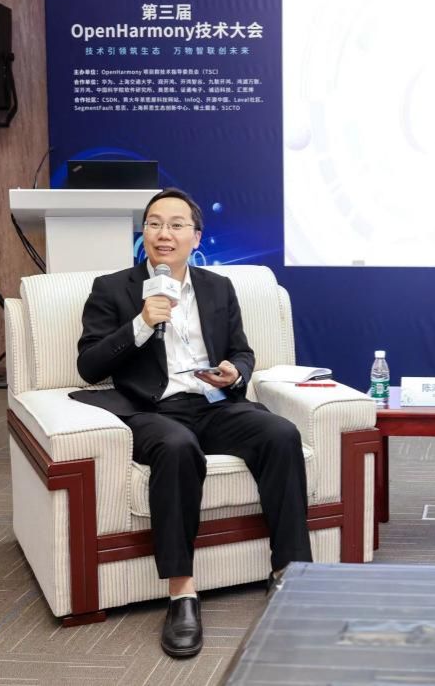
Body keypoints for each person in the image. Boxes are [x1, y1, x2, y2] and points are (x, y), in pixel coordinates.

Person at [72, 188, 311, 658]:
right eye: (155, 223)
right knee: (178, 447)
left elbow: (242, 350)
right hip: (152, 410)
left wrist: (235, 372)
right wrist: (141, 323)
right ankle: (182, 593)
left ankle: (289, 573)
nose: (164, 233)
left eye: (176, 225)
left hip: (213, 403)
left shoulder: (218, 287)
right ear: (144, 233)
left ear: (196, 236)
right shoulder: (112, 288)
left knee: (281, 434)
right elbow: (89, 366)